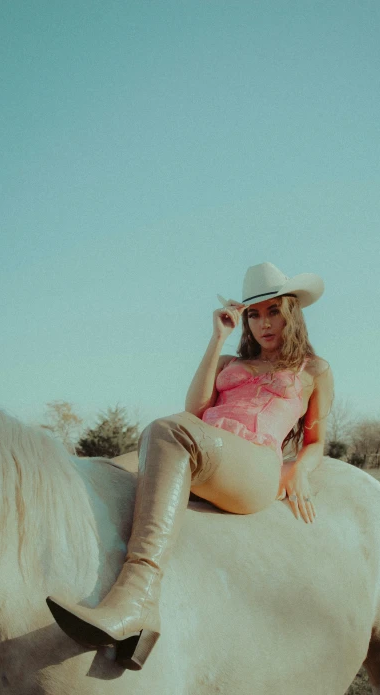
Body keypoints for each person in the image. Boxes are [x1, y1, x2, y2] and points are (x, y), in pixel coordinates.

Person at [47, 262, 334, 670]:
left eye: (274, 312)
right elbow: (196, 409)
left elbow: (316, 439)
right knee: (100, 470)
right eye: (253, 314)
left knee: (166, 431)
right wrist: (218, 338)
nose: (263, 323)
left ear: (292, 314)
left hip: (252, 465)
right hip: (200, 447)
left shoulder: (314, 370)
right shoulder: (229, 361)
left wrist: (301, 470)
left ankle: (139, 600)